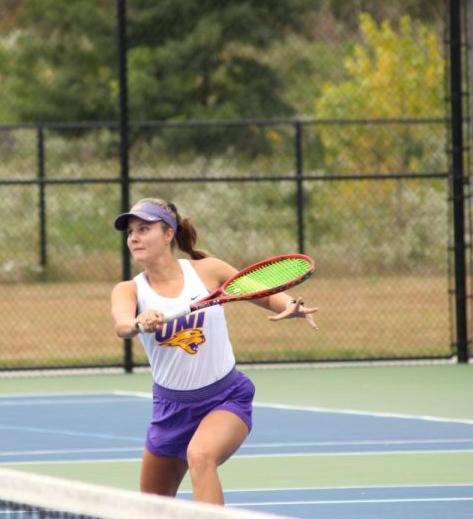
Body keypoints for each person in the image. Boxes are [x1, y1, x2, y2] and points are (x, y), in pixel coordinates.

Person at [109, 198, 319, 505]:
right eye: (130, 232)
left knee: (201, 455)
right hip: (170, 410)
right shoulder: (129, 290)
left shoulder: (208, 271)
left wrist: (290, 306)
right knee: (149, 508)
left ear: (168, 234)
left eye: (144, 229)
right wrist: (138, 322)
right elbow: (122, 324)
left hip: (224, 398)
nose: (134, 238)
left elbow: (260, 291)